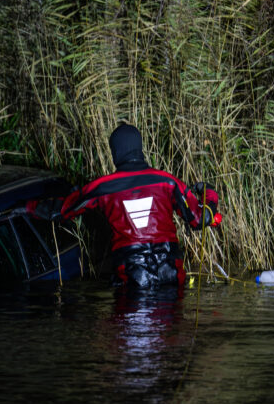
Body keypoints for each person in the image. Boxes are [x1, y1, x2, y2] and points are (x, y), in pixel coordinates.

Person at [26, 123, 221, 291]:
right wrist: (210, 194)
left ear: (115, 152)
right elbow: (200, 219)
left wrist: (27, 207)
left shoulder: (102, 187)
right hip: (170, 275)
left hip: (132, 279)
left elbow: (61, 211)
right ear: (139, 149)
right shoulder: (168, 182)